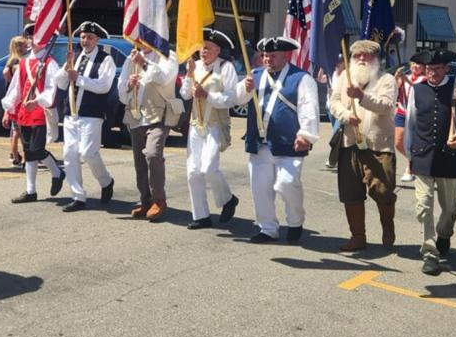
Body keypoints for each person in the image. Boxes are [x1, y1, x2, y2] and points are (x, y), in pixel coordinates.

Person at [404, 49, 456, 276]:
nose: (432, 74)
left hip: (450, 157)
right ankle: (429, 253)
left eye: (437, 70)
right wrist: (410, 156)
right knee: (423, 205)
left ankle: (444, 234)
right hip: (423, 155)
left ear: (446, 69)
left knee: (449, 209)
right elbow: (410, 123)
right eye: (429, 70)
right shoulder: (417, 89)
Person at [234, 36, 320, 244]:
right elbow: (237, 100)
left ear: (285, 55)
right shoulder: (254, 76)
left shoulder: (301, 78)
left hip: (288, 142)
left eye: (273, 55)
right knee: (260, 188)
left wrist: (306, 135)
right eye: (265, 55)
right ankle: (268, 228)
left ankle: (295, 221)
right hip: (259, 143)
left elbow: (309, 108)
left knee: (287, 183)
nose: (267, 59)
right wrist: (244, 89)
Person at [328, 40, 399, 251]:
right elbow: (333, 101)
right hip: (349, 143)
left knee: (383, 191)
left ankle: (387, 225)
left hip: (378, 145)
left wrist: (361, 96)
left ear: (375, 59)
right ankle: (358, 236)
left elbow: (386, 105)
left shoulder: (386, 80)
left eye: (366, 56)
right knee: (350, 194)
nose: (361, 59)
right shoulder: (344, 76)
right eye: (357, 55)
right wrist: (345, 115)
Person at [180, 28, 240, 229]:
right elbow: (185, 94)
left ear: (217, 50)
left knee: (209, 168)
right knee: (193, 172)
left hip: (215, 124)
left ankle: (228, 199)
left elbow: (231, 99)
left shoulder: (226, 68)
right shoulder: (194, 66)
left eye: (208, 48)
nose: (203, 51)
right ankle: (201, 215)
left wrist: (207, 95)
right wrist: (189, 76)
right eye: (202, 47)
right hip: (195, 125)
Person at [54, 21, 117, 212]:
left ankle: (106, 181)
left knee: (88, 152)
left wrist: (79, 79)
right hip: (71, 114)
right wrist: (66, 70)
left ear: (97, 39)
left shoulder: (106, 60)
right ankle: (78, 196)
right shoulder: (75, 58)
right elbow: (61, 83)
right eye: (82, 37)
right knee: (69, 154)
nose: (85, 40)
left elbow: (104, 85)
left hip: (92, 114)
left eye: (89, 37)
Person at [0, 24, 65, 203]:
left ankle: (57, 172)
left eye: (36, 37)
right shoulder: (24, 62)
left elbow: (52, 90)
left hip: (40, 112)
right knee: (28, 152)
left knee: (36, 150)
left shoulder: (50, 63)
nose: (32, 41)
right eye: (30, 38)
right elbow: (16, 89)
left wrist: (36, 101)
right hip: (24, 113)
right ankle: (31, 190)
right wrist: (8, 109)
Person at [117, 41, 179, 221]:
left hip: (159, 114)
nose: (138, 42)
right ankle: (145, 199)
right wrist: (129, 85)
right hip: (137, 115)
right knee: (139, 161)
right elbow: (121, 94)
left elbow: (164, 78)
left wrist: (144, 63)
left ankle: (159, 199)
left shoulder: (167, 56)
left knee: (152, 154)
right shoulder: (130, 60)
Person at [394, 59, 426, 183]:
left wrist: (405, 79)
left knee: (412, 142)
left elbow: (417, 90)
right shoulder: (405, 77)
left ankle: (409, 167)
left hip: (416, 115)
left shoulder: (424, 80)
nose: (415, 66)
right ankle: (413, 160)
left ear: (423, 67)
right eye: (413, 64)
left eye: (418, 64)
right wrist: (397, 76)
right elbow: (395, 89)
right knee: (398, 142)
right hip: (402, 112)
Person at [3, 36, 29, 167]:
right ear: (19, 47)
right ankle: (18, 157)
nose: (27, 48)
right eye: (25, 46)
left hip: (14, 98)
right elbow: (5, 72)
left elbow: (6, 72)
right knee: (19, 130)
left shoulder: (13, 59)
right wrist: (12, 83)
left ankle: (14, 155)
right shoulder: (17, 60)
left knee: (15, 130)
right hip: (18, 98)